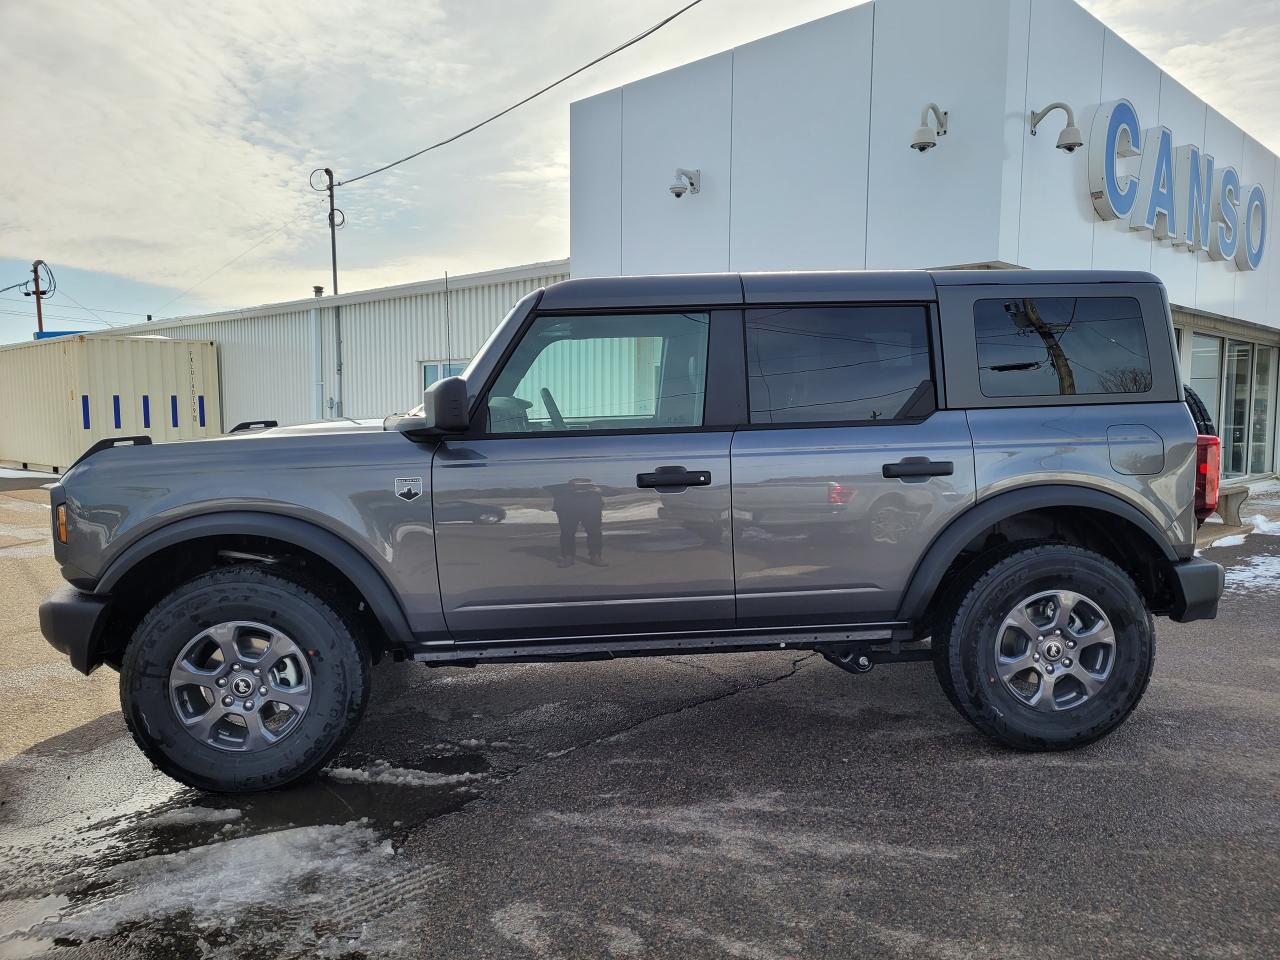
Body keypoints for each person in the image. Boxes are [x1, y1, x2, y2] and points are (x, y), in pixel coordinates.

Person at [549, 478, 608, 567]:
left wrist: (598, 490)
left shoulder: (594, 489)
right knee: (567, 533)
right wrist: (569, 490)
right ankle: (568, 557)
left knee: (594, 533)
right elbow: (549, 489)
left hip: (591, 510)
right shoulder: (563, 490)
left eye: (584, 484)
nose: (581, 487)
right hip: (568, 510)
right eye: (579, 484)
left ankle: (595, 556)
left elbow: (614, 492)